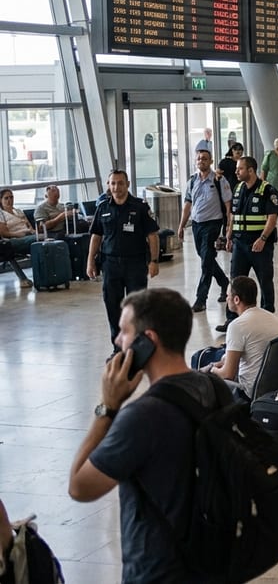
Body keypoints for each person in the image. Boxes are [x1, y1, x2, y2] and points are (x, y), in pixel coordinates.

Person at [67, 288, 224, 581]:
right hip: (210, 560)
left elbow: (80, 486)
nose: (117, 341)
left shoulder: (143, 417)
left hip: (159, 571)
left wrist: (108, 408)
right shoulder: (212, 387)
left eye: (124, 332)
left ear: (147, 341)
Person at [87, 170, 161, 344]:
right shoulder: (103, 207)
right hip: (110, 264)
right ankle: (118, 346)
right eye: (113, 183)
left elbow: (152, 235)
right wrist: (90, 261)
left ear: (127, 184)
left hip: (135, 263)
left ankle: (138, 346)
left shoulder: (139, 207)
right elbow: (96, 236)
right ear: (108, 185)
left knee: (137, 306)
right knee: (112, 306)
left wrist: (154, 261)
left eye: (120, 183)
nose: (116, 187)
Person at [220, 156, 278, 333]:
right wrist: (229, 235)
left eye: (240, 169)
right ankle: (231, 320)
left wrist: (262, 239)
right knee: (235, 282)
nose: (236, 172)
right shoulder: (238, 188)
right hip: (240, 243)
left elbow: (272, 217)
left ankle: (268, 315)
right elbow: (233, 215)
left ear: (251, 170)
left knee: (265, 281)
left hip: (259, 245)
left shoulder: (267, 190)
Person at [206, 276, 278, 398]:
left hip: (250, 391)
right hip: (275, 385)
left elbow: (228, 374)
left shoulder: (237, 326)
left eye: (227, 296)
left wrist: (211, 370)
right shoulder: (271, 317)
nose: (226, 299)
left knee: (206, 378)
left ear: (236, 299)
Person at [178, 149, 233, 312]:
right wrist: (181, 225)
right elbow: (187, 205)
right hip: (196, 224)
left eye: (205, 158)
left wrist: (229, 226)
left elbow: (228, 204)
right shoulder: (192, 181)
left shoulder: (218, 180)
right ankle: (224, 283)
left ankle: (201, 299)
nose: (201, 160)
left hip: (213, 224)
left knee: (206, 261)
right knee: (205, 257)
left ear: (210, 161)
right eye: (199, 158)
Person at [0, 187, 35, 287]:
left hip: (28, 236)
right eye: (6, 198)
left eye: (11, 197)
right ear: (0, 200)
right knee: (38, 240)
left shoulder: (18, 211)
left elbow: (30, 228)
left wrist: (33, 232)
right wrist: (19, 234)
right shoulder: (1, 214)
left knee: (46, 239)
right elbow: (4, 233)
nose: (9, 200)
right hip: (14, 239)